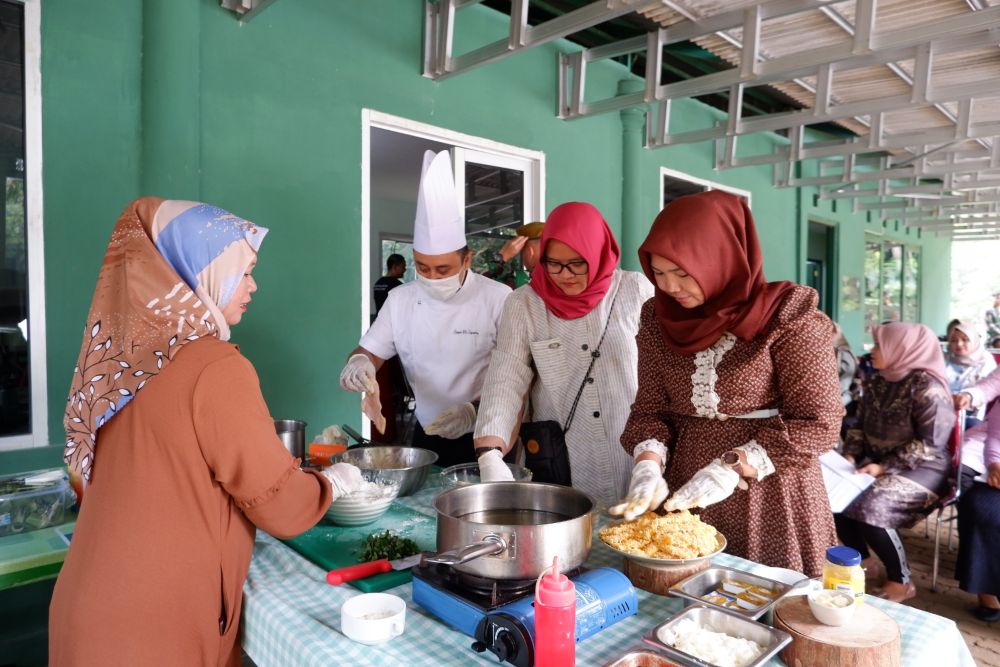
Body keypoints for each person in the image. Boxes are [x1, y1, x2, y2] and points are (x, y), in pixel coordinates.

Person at [50, 198, 362, 666]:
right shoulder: (213, 367)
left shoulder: (120, 361)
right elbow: (279, 504)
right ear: (197, 269)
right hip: (155, 627)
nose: (253, 286)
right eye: (244, 270)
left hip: (89, 609)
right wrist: (330, 484)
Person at [611, 190, 843, 577]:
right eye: (659, 273)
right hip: (686, 484)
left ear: (721, 259)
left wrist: (735, 466)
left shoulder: (788, 316)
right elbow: (650, 407)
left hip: (770, 488)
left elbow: (818, 422)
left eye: (683, 273)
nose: (670, 287)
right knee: (685, 597)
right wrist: (648, 465)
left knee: (763, 601)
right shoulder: (658, 317)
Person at [473, 203, 653, 504]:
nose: (564, 275)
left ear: (597, 252)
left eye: (576, 263)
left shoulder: (635, 291)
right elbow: (507, 375)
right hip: (564, 458)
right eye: (553, 263)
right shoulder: (525, 304)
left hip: (632, 451)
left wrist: (655, 458)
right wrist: (490, 452)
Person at [340, 151, 510, 467]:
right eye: (422, 267)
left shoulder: (498, 298)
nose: (431, 277)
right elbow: (370, 350)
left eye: (443, 269)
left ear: (467, 259)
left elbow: (516, 377)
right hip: (426, 429)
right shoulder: (401, 300)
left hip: (488, 432)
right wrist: (359, 363)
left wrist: (473, 410)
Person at [837, 322, 955, 602]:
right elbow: (857, 424)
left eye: (878, 345)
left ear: (901, 349)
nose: (872, 350)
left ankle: (900, 580)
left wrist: (883, 467)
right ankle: (863, 562)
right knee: (834, 495)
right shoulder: (879, 380)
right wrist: (851, 454)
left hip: (925, 467)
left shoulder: (928, 386)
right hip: (874, 460)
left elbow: (930, 443)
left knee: (873, 506)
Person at [956, 393, 1000, 621]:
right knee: (982, 510)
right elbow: (995, 435)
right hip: (994, 461)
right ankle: (987, 592)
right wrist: (995, 464)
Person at [944, 319, 996, 428]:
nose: (959, 344)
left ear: (974, 339)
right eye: (953, 340)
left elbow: (986, 388)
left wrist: (965, 396)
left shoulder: (985, 361)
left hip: (969, 415)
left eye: (965, 339)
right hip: (941, 410)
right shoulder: (944, 358)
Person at [482, 221, 544, 289]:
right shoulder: (555, 277)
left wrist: (502, 256)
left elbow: (482, 287)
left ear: (530, 252)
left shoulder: (519, 281)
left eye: (522, 250)